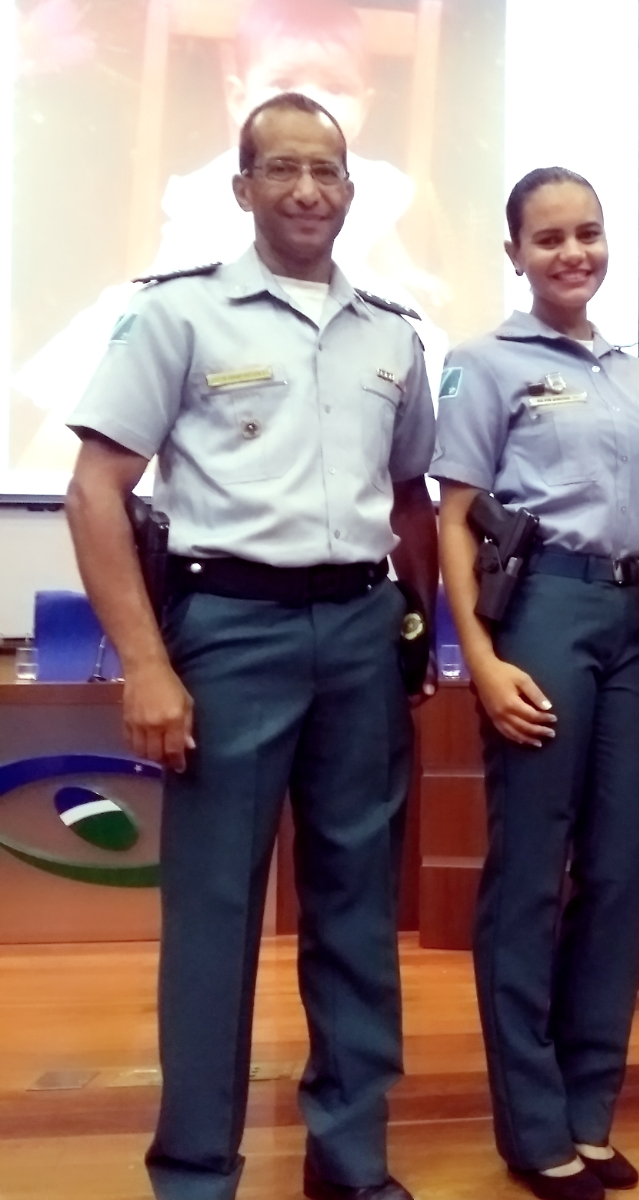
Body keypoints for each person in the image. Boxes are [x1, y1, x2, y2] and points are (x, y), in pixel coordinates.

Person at [64, 92, 437, 1200]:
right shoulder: (177, 315)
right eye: (282, 168)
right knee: (216, 914)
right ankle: (194, 1174)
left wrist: (415, 633)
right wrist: (146, 663)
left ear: (351, 190)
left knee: (358, 904)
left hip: (361, 632)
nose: (307, 190)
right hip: (227, 630)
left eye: (326, 171)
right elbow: (95, 490)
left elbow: (409, 499)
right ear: (242, 188)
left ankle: (350, 1157)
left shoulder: (393, 333)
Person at [432, 167, 639, 1200]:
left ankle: (587, 1110)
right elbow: (453, 519)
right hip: (539, 614)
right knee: (531, 874)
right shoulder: (484, 363)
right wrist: (479, 657)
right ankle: (533, 1128)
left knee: (620, 873)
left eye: (589, 233)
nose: (574, 252)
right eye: (550, 237)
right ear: (515, 253)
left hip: (628, 618)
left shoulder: (636, 374)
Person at [16, 0, 447, 474]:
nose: (309, 103)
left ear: (364, 105)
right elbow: (173, 262)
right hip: (219, 313)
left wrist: (411, 276)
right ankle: (45, 478)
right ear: (238, 96)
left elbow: (382, 250)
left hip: (336, 313)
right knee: (105, 380)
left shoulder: (369, 182)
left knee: (396, 383)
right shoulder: (218, 183)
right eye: (283, 83)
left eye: (335, 88)